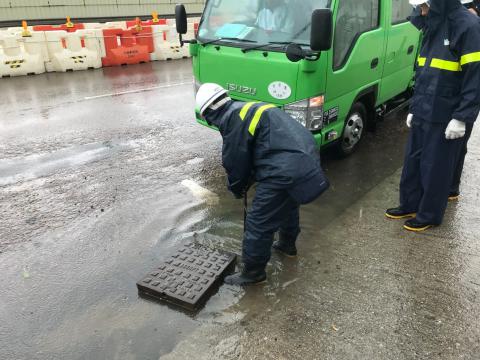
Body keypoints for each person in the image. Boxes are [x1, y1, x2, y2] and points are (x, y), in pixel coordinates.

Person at [195, 83, 329, 285]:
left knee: (258, 222)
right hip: (304, 156)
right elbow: (259, 146)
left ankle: (253, 273)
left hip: (284, 168)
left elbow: (235, 160)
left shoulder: (233, 119)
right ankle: (287, 245)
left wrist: (237, 188)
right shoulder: (247, 107)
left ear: (209, 112)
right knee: (288, 203)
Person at [386, 0, 480, 232]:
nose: (419, 10)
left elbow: (475, 78)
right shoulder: (432, 24)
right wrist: (414, 106)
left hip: (447, 113)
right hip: (423, 107)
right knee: (413, 161)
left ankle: (429, 214)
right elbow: (425, 70)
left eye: (423, 5)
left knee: (436, 166)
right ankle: (409, 204)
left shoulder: (467, 26)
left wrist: (462, 117)